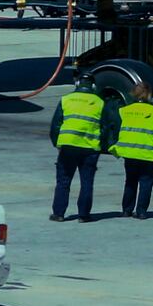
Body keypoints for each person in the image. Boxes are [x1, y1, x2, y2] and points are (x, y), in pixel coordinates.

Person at [49, 78, 118, 221]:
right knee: (87, 182)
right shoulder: (100, 103)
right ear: (93, 86)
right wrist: (101, 145)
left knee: (63, 181)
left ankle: (59, 214)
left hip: (68, 146)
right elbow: (105, 128)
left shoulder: (66, 99)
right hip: (90, 148)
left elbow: (55, 126)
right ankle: (84, 215)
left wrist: (57, 143)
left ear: (78, 84)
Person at [112, 92, 153, 218]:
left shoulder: (124, 111)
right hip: (149, 154)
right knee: (146, 183)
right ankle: (141, 211)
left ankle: (126, 210)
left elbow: (115, 129)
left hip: (130, 153)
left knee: (130, 181)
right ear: (149, 96)